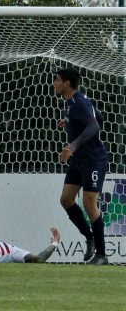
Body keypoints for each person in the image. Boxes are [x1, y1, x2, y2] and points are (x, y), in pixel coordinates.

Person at [53, 67, 109, 265]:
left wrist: (71, 146)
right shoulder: (73, 103)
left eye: (57, 80)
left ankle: (102, 255)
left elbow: (94, 125)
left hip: (93, 159)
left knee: (89, 205)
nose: (55, 83)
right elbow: (98, 117)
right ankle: (90, 237)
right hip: (79, 160)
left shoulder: (78, 102)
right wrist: (68, 122)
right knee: (66, 200)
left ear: (67, 83)